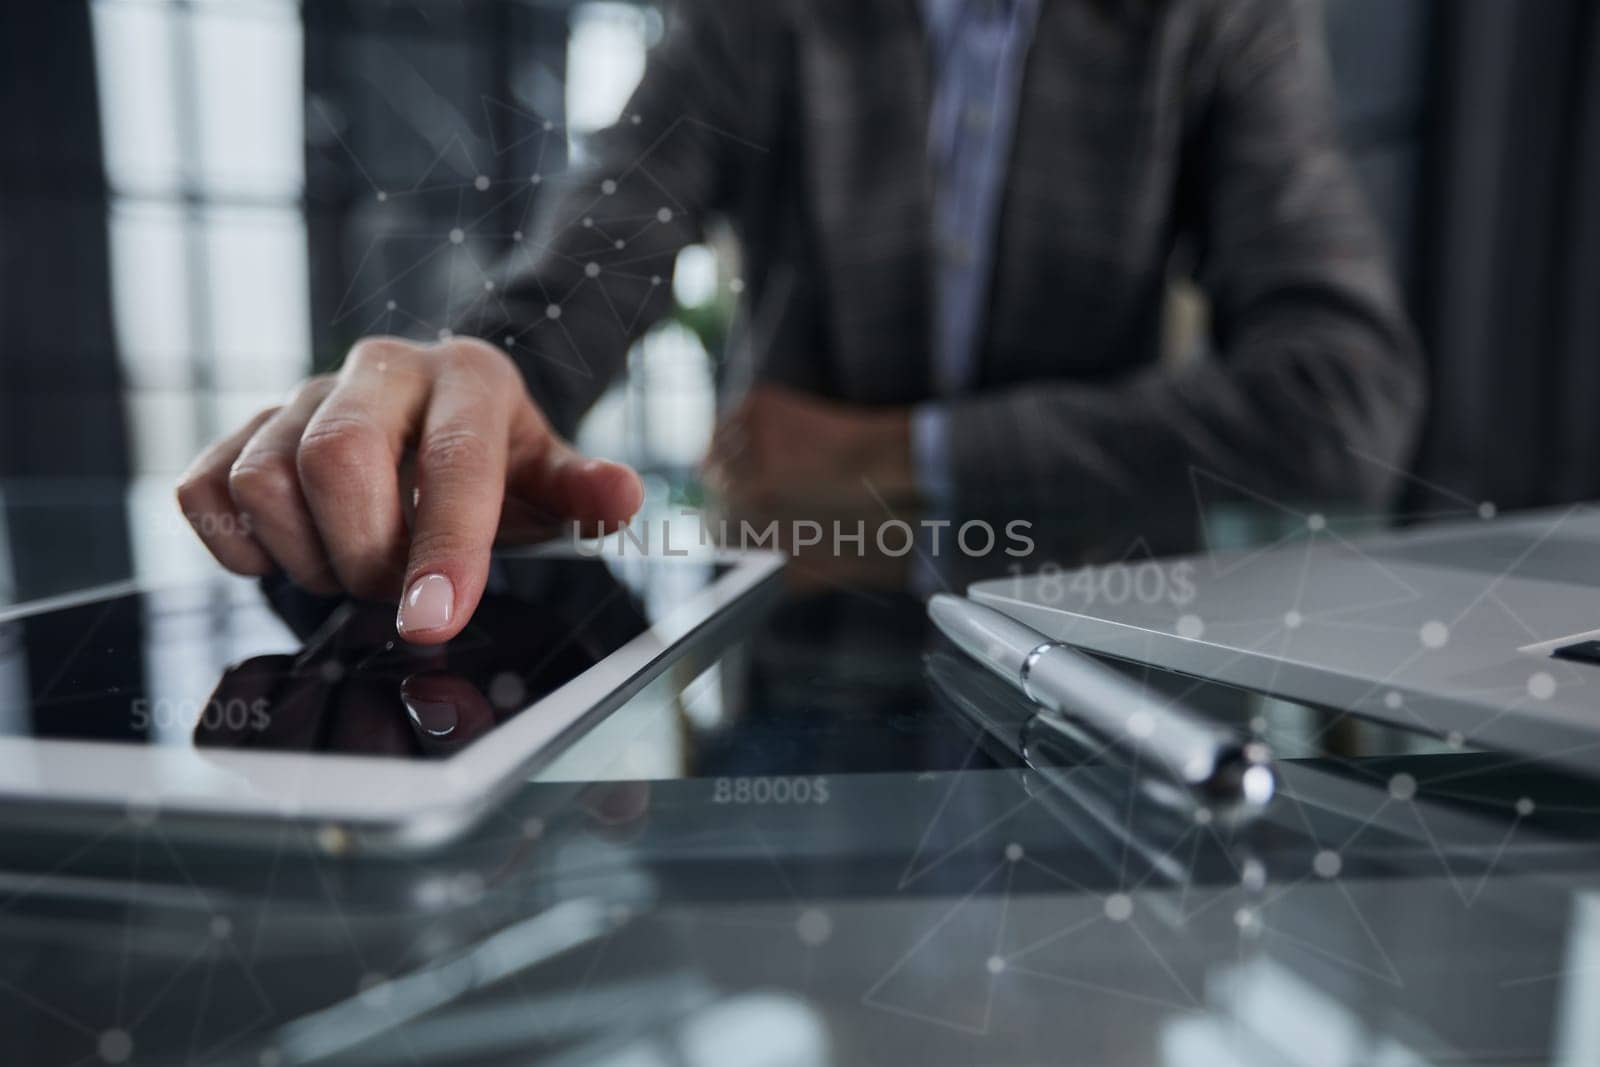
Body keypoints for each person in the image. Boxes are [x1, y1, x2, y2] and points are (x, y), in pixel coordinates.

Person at [177, 0, 1424, 644]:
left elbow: (1348, 390)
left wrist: (902, 462)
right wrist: (490, 370)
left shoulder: (1219, 20)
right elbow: (604, 242)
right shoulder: (756, 16)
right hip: (796, 641)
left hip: (1105, 648)